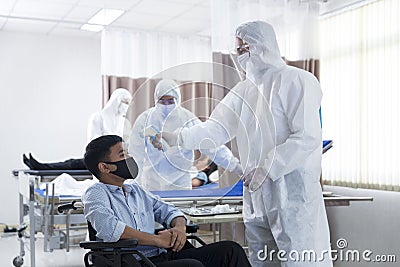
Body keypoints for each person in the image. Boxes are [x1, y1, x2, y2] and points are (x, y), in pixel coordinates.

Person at [157, 21, 332, 266]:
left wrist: (267, 167)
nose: (239, 56)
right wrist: (178, 137)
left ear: (262, 47)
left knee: (300, 259)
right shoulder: (244, 91)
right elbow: (216, 129)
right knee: (261, 259)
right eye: (237, 50)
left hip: (293, 195)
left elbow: (306, 138)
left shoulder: (297, 80)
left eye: (243, 49)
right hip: (258, 195)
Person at [82, 134, 251, 267]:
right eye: (122, 154)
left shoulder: (135, 189)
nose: (129, 158)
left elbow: (168, 210)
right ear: (104, 167)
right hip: (132, 261)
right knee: (192, 265)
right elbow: (111, 229)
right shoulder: (96, 193)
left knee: (230, 250)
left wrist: (179, 228)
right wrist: (156, 240)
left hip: (161, 255)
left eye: (128, 153)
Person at [128, 79, 242, 191]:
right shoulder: (145, 119)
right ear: (155, 99)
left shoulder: (188, 118)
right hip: (151, 183)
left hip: (180, 183)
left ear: (178, 99)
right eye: (162, 101)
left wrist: (236, 167)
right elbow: (136, 154)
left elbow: (210, 145)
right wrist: (135, 184)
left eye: (171, 101)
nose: (166, 105)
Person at [22, 89, 132, 170]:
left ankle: (39, 166)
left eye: (128, 103)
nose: (126, 106)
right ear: (116, 101)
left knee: (72, 164)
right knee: (72, 164)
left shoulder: (123, 123)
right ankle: (39, 166)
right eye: (125, 102)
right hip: (99, 157)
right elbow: (93, 142)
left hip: (115, 161)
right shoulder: (98, 117)